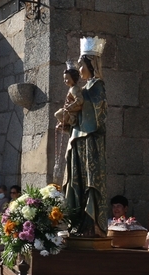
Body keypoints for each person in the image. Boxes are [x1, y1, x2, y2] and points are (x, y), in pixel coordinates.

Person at [63, 36, 108, 236]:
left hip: (91, 142)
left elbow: (98, 115)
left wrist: (80, 106)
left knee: (90, 182)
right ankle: (78, 222)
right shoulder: (83, 88)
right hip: (79, 140)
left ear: (90, 64)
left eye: (82, 64)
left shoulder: (97, 85)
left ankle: (92, 225)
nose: (79, 69)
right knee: (76, 182)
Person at [54, 62, 83, 132]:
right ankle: (67, 124)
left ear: (73, 78)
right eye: (64, 79)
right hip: (69, 110)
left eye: (67, 78)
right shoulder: (72, 88)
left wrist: (70, 106)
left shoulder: (74, 89)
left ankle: (71, 121)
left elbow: (80, 100)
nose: (65, 81)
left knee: (58, 114)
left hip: (72, 112)